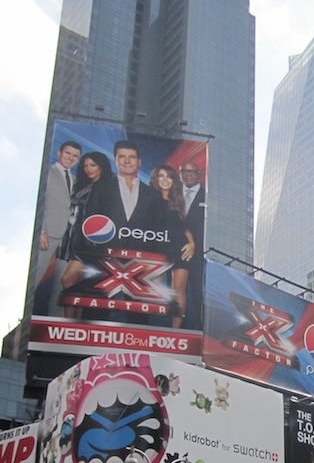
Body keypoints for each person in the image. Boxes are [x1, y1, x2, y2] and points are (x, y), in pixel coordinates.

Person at [61, 140, 177, 323]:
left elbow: (159, 232)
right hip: (104, 260)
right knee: (96, 311)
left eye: (131, 157)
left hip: (139, 264)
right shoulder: (101, 187)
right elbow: (89, 223)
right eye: (122, 157)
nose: (127, 161)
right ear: (115, 160)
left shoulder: (153, 195)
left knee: (138, 315)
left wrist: (158, 267)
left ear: (139, 161)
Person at [35, 140, 82, 315]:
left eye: (75, 156)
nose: (71, 158)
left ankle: (54, 322)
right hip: (49, 234)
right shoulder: (47, 173)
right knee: (36, 275)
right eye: (68, 154)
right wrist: (41, 231)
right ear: (59, 153)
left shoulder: (76, 180)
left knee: (62, 285)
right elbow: (41, 201)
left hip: (68, 238)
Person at [149, 164, 194, 328]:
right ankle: (151, 325)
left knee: (178, 289)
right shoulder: (149, 198)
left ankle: (176, 330)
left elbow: (184, 225)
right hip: (158, 246)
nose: (165, 179)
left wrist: (192, 243)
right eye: (161, 176)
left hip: (180, 247)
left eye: (168, 176)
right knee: (154, 286)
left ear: (173, 181)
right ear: (156, 179)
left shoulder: (178, 201)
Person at [177, 161, 205, 329]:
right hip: (174, 249)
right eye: (184, 172)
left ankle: (201, 328)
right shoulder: (173, 194)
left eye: (192, 172)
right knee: (176, 290)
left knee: (197, 291)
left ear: (198, 174)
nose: (188, 175)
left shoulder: (207, 196)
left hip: (199, 253)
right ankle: (178, 327)